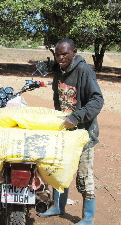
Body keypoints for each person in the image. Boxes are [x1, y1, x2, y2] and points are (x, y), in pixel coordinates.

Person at [38, 38, 104, 225]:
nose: (60, 57)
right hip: (65, 133)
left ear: (74, 52)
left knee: (83, 177)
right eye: (58, 54)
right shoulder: (58, 71)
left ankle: (88, 218)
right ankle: (58, 206)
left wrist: (76, 117)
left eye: (65, 54)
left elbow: (97, 100)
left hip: (83, 134)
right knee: (60, 171)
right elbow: (58, 98)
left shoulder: (84, 71)